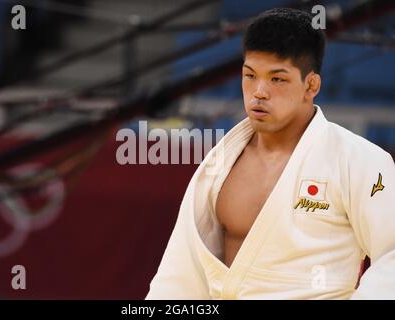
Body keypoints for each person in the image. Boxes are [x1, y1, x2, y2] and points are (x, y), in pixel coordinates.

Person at [146, 8, 395, 299]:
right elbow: (180, 275)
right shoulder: (219, 163)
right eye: (250, 76)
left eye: (277, 79)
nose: (259, 92)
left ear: (311, 85)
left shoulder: (358, 160)